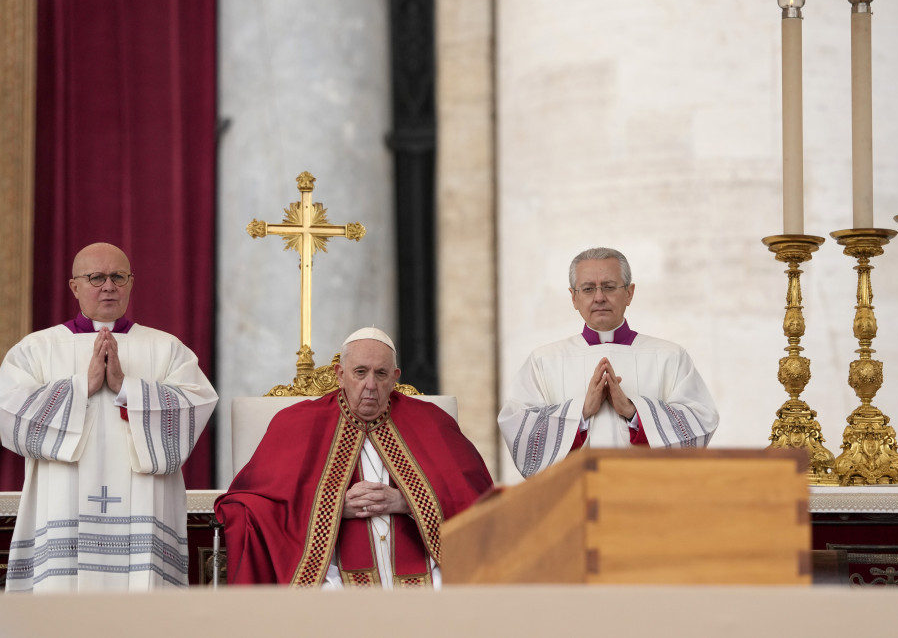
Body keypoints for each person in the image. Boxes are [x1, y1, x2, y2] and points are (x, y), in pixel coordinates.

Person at [0, 242, 218, 592]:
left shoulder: (166, 348)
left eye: (118, 277)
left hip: (142, 510)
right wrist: (80, 387)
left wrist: (126, 387)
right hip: (63, 503)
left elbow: (195, 404)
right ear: (74, 286)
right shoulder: (36, 349)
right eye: (96, 277)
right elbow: (9, 411)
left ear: (131, 283)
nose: (108, 286)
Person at [214, 327, 493, 588]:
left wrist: (408, 501)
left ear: (395, 377)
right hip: (332, 569)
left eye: (381, 374)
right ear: (340, 374)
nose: (370, 385)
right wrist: (333, 507)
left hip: (424, 565)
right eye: (360, 372)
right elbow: (251, 503)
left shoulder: (432, 422)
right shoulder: (296, 423)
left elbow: (476, 498)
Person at [498, 247, 719, 478]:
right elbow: (519, 429)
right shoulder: (543, 361)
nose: (599, 297)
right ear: (573, 297)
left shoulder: (670, 356)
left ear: (629, 293)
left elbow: (701, 419)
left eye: (609, 287)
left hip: (647, 490)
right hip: (575, 492)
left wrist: (634, 412)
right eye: (588, 289)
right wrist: (581, 411)